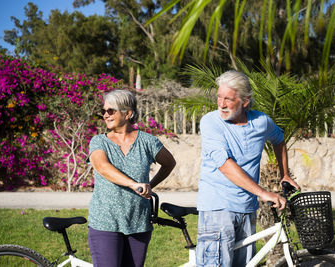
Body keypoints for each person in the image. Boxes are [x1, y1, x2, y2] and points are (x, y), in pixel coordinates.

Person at [196, 70, 300, 266]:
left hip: (246, 208)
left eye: (228, 99)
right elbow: (225, 166)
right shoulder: (210, 122)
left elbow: (279, 140)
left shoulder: (261, 122)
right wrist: (263, 193)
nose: (221, 104)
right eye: (219, 97)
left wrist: (285, 174)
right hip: (217, 208)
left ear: (245, 101)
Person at [87, 89, 176, 267]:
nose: (105, 115)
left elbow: (169, 163)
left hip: (139, 222)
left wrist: (151, 185)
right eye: (103, 111)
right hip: (105, 221)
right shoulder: (99, 141)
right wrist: (134, 184)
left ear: (127, 113)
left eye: (110, 110)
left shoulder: (147, 141)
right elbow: (102, 167)